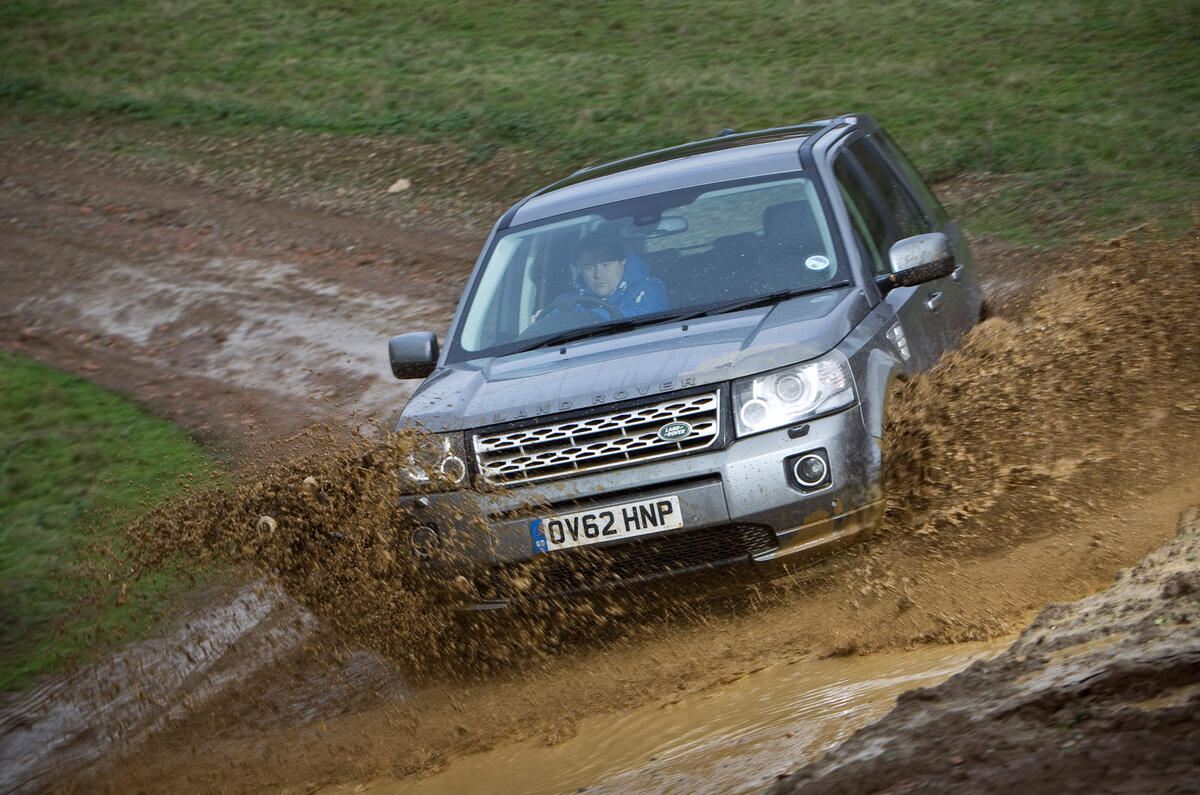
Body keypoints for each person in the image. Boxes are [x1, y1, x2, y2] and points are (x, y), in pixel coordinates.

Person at [539, 233, 668, 322]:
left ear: (623, 261)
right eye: (589, 267)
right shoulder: (569, 301)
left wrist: (584, 319)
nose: (598, 275)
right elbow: (551, 324)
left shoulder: (649, 288)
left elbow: (642, 316)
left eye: (606, 265)